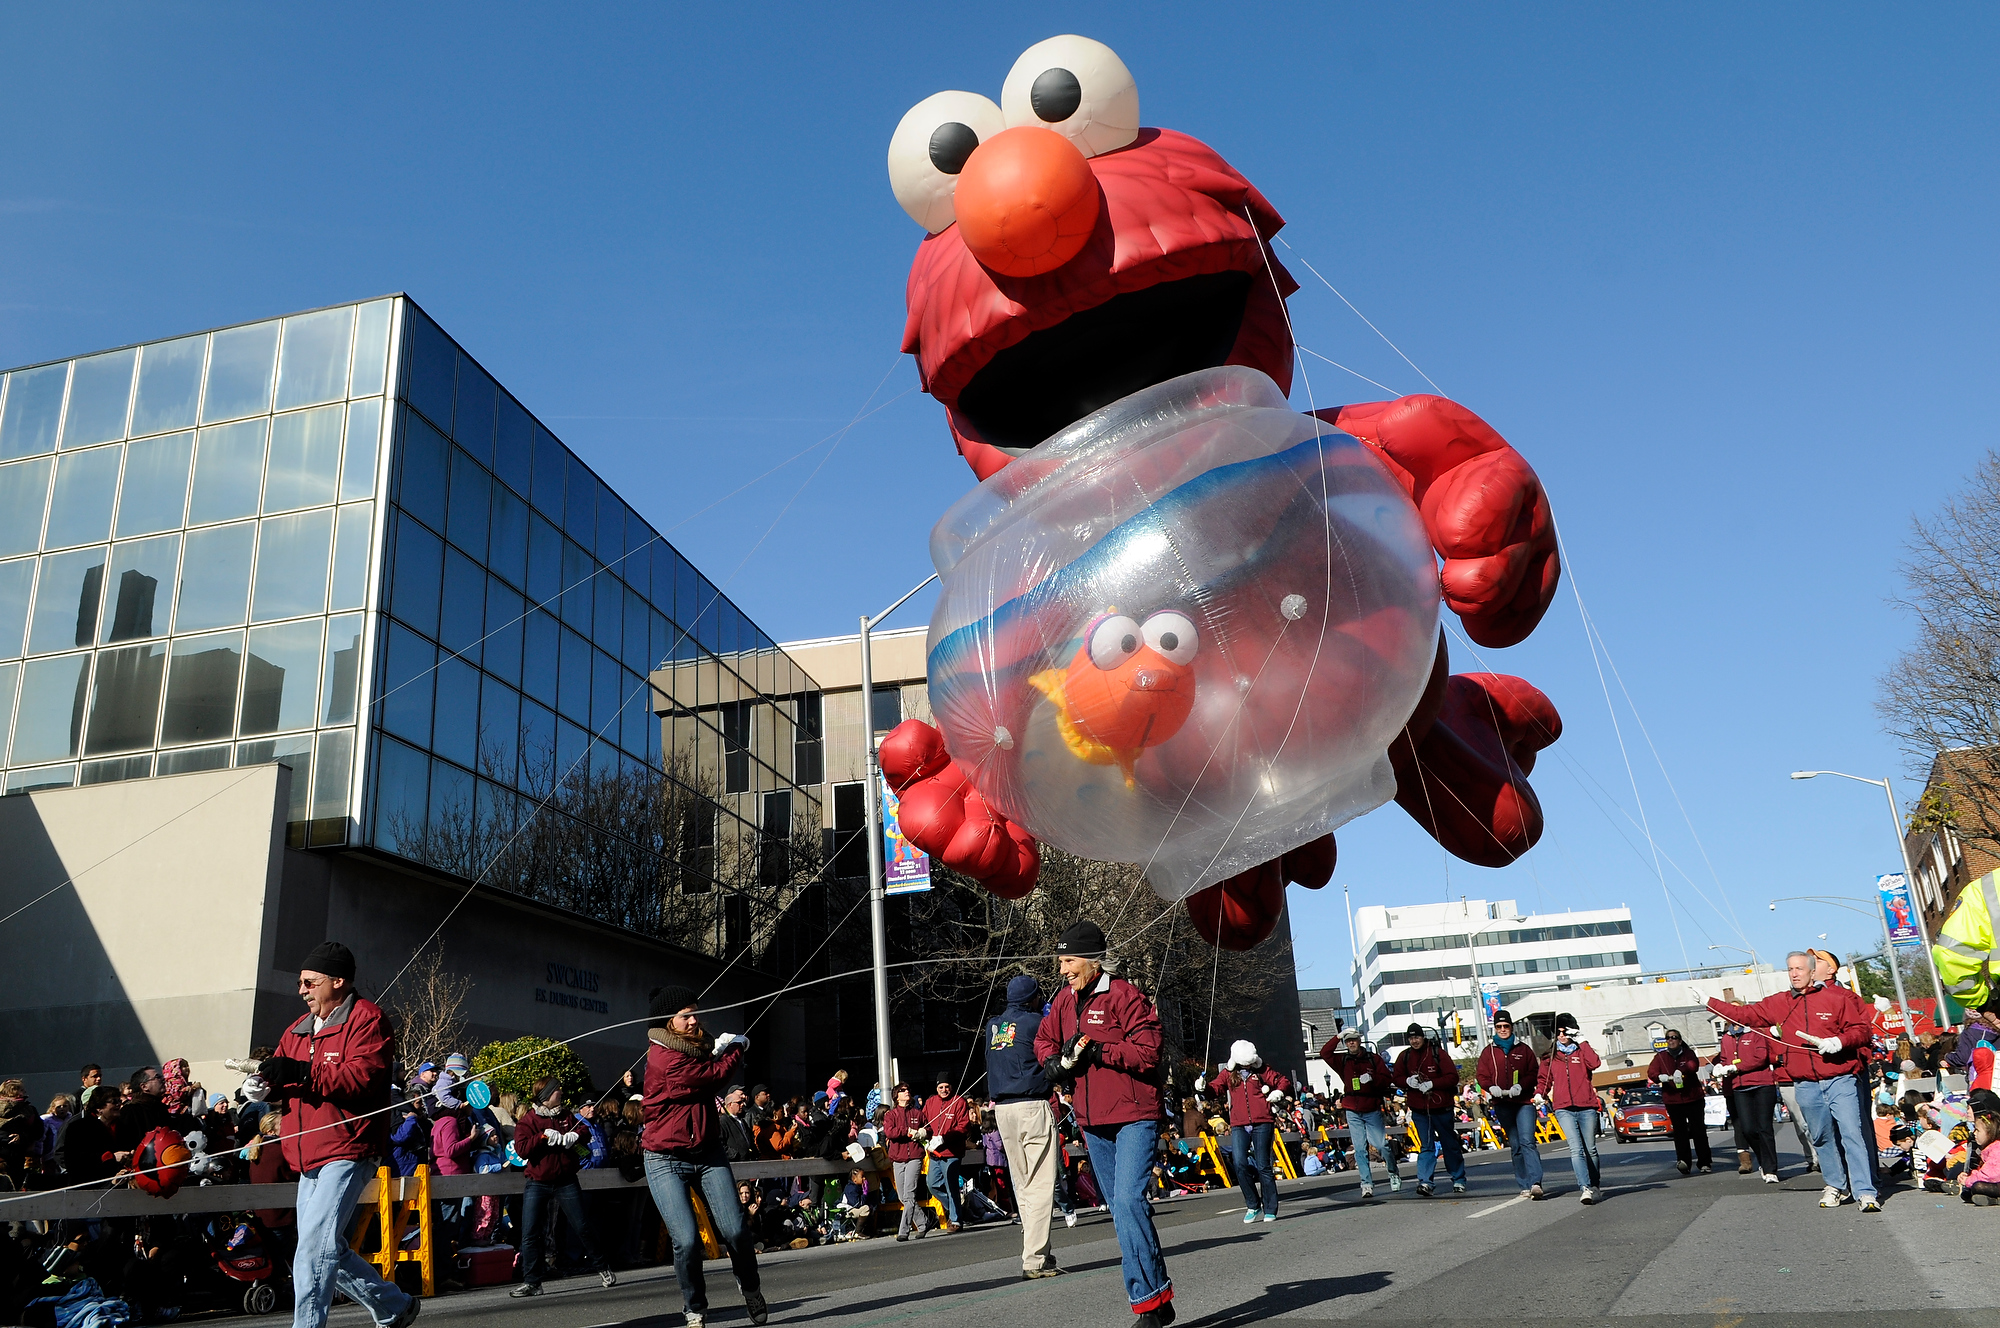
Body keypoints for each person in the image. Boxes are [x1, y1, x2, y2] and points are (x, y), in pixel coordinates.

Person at [244, 940, 418, 1328]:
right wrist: (265, 1087)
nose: (301, 989)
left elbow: (364, 1078)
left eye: (309, 981)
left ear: (338, 981)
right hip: (305, 1154)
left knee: (312, 1251)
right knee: (326, 1249)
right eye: (301, 982)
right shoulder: (296, 1030)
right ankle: (393, 1306)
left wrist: (301, 1073)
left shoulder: (368, 1020)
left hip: (348, 1147)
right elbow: (284, 1078)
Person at [1033, 920, 1174, 1327]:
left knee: (1129, 1202)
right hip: (1092, 1121)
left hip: (1134, 1116)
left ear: (1094, 961)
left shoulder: (1125, 995)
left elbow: (1148, 1053)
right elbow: (1043, 1038)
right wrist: (1051, 1061)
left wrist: (1097, 1052)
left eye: (1069, 960)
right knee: (1120, 1209)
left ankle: (1147, 1304)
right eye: (1061, 961)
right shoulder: (1063, 1000)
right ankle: (1159, 1298)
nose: (1063, 969)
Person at [1706, 950, 1879, 1211]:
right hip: (1805, 1082)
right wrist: (1709, 1002)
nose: (1794, 973)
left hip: (1840, 1078)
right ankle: (1835, 1185)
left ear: (1812, 972)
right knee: (1820, 1136)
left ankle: (1865, 1191)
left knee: (1852, 1133)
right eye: (1790, 969)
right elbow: (1745, 1015)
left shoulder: (1838, 998)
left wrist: (1838, 1041)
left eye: (1799, 969)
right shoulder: (1780, 1002)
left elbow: (1863, 1031)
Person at [640, 985, 765, 1328]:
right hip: (664, 1158)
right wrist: (737, 1047)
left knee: (736, 1229)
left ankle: (750, 1286)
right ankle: (694, 1305)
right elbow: (712, 1077)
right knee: (686, 1240)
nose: (695, 1020)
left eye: (695, 1012)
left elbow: (708, 1062)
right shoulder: (663, 1059)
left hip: (707, 1152)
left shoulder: (698, 1047)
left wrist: (721, 1046)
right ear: (669, 1023)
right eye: (686, 1015)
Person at [985, 973, 1061, 1278]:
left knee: (1023, 1183)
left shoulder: (993, 1026)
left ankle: (1035, 1249)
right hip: (1032, 1104)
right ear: (1033, 998)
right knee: (1041, 1184)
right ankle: (1035, 1258)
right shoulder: (1036, 1023)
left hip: (1003, 1110)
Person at [510, 1076, 615, 1297]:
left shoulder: (566, 1116)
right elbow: (522, 1149)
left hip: (566, 1180)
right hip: (538, 1182)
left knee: (582, 1226)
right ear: (546, 1095)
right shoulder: (528, 1120)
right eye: (557, 1090)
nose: (561, 1093)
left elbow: (584, 1131)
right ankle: (532, 1281)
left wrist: (576, 1135)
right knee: (530, 1232)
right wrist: (541, 1137)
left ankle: (602, 1266)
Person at [1210, 1039, 1290, 1222]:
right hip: (1239, 1124)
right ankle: (1253, 1204)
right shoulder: (1229, 1074)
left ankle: (1270, 1207)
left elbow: (1282, 1081)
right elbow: (1214, 1089)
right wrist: (1203, 1088)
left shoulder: (1262, 1070)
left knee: (1263, 1165)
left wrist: (1278, 1092)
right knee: (1239, 1162)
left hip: (1262, 1121)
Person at [1320, 1028, 1399, 1196]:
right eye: (1348, 1041)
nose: (1351, 1043)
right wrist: (1338, 1036)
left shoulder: (1373, 1059)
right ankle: (1366, 1183)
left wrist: (1373, 1079)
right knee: (1360, 1148)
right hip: (1352, 1109)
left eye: (1354, 1040)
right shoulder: (1342, 1060)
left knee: (1381, 1145)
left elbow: (1387, 1079)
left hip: (1371, 1107)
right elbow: (1325, 1053)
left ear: (1359, 1041)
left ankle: (1393, 1172)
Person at [1389, 1023, 1464, 1196]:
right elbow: (1396, 1077)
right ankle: (1425, 1182)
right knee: (1426, 1146)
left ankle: (1458, 1178)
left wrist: (1433, 1083)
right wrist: (1407, 1081)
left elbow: (1452, 1077)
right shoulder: (1405, 1056)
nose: (1414, 1041)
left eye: (1417, 1037)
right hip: (1419, 1109)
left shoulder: (1438, 1053)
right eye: (1411, 1038)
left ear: (1423, 1037)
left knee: (1449, 1144)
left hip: (1441, 1107)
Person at [1476, 1009, 1544, 1199]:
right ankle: (1523, 1183)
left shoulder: (1524, 1049)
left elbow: (1533, 1073)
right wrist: (1491, 1088)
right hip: (1502, 1103)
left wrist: (1520, 1086)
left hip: (1523, 1102)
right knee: (1515, 1144)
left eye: (1506, 1026)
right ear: (1495, 1028)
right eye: (1499, 1026)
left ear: (1511, 1027)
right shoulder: (1488, 1052)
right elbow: (1482, 1075)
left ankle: (1535, 1182)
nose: (1503, 1029)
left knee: (1527, 1141)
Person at [1536, 1013, 1603, 1204]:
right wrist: (1540, 1093)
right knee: (1576, 1149)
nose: (1562, 1035)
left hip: (1587, 1106)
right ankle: (1585, 1187)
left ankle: (1595, 1183)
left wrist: (1582, 1040)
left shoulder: (1582, 1051)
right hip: (1563, 1108)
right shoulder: (1551, 1057)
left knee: (1590, 1149)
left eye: (1565, 1031)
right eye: (1558, 1032)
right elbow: (1544, 1079)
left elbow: (1595, 1063)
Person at [1715, 1024, 1783, 1183]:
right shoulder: (1726, 1038)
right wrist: (1721, 1066)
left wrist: (1736, 1067)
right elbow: (1725, 1059)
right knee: (1747, 1129)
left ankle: (1770, 1168)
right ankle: (1764, 1159)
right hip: (1739, 1087)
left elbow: (1761, 1057)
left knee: (1764, 1127)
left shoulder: (1756, 1034)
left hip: (1762, 1085)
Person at [1647, 1029, 1711, 1175]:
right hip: (1673, 1100)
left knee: (1698, 1130)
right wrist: (1659, 1077)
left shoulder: (1688, 1053)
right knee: (1680, 1133)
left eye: (1674, 1037)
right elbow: (1651, 1072)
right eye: (1668, 1038)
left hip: (1693, 1098)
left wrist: (1681, 1070)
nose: (1671, 1040)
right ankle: (1683, 1162)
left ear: (1680, 1040)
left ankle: (1705, 1162)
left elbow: (1693, 1065)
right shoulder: (1660, 1056)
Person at [882, 1083, 932, 1241]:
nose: (907, 1092)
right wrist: (908, 1131)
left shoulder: (918, 1113)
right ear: (896, 1096)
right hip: (898, 1158)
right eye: (903, 1090)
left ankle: (904, 1230)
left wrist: (924, 1132)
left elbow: (929, 1128)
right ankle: (923, 1222)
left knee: (909, 1195)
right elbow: (890, 1132)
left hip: (915, 1157)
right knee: (903, 1197)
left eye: (908, 1090)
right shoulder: (890, 1115)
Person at [922, 1076, 971, 1233]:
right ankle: (956, 1207)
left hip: (952, 1152)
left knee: (951, 1186)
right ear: (936, 1088)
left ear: (951, 1086)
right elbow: (925, 1122)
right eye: (941, 1087)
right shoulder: (930, 1103)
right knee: (932, 1184)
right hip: (934, 1152)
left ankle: (956, 1220)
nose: (944, 1090)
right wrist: (923, 1134)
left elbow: (963, 1127)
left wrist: (944, 1138)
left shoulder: (959, 1102)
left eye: (947, 1086)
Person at [718, 1087, 755, 1163]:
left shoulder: (742, 1120)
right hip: (735, 1164)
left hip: (748, 1162)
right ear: (730, 1104)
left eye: (742, 1102)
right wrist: (735, 1155)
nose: (742, 1105)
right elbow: (719, 1144)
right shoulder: (723, 1121)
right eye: (739, 1103)